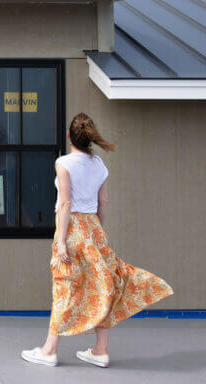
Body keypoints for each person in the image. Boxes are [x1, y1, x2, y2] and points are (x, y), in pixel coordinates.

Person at [21, 113, 173, 368]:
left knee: (65, 286)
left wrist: (60, 241)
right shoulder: (99, 164)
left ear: (69, 136)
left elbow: (66, 203)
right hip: (94, 227)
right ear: (90, 137)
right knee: (105, 283)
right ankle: (100, 350)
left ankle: (49, 351)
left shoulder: (64, 163)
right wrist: (97, 231)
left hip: (72, 229)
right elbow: (103, 202)